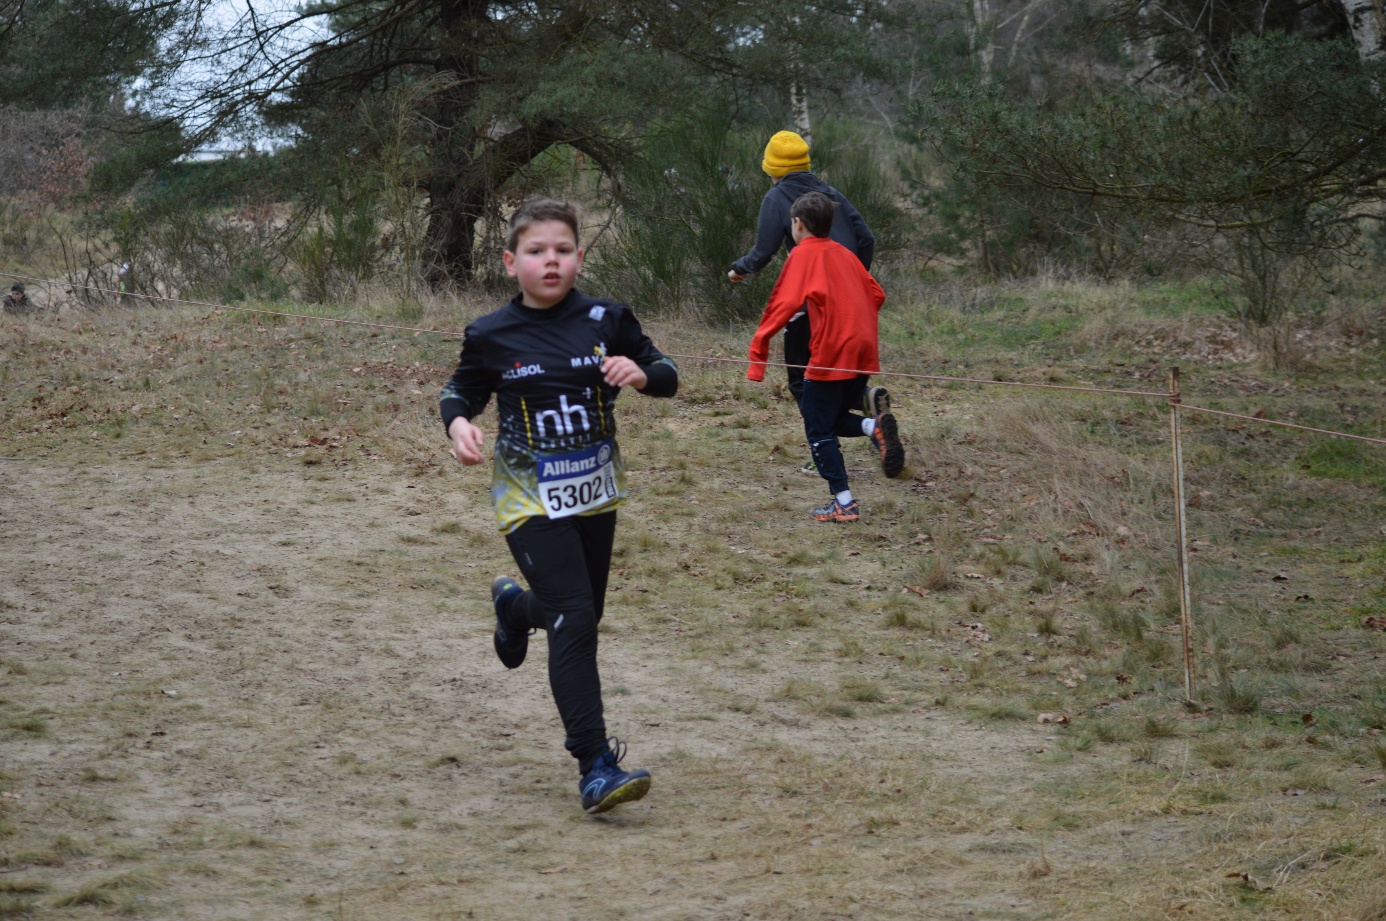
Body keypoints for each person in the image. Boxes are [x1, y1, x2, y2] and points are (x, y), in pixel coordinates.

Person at [440, 198, 679, 815]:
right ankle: (595, 764)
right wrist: (459, 422)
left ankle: (516, 609)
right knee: (575, 618)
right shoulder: (491, 333)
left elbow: (667, 370)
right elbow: (460, 388)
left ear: (579, 257)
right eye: (537, 251)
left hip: (594, 492)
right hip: (528, 496)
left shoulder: (607, 317)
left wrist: (642, 373)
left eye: (564, 250)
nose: (551, 261)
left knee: (580, 611)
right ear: (510, 260)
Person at [728, 130, 888, 473]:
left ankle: (824, 449)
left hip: (810, 308)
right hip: (853, 307)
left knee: (803, 382)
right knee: (837, 370)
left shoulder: (778, 197)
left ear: (772, 168)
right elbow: (866, 238)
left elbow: (763, 252)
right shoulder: (829, 193)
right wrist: (852, 281)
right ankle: (862, 401)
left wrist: (738, 270)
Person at [746, 191, 905, 523]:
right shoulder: (846, 254)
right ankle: (871, 425)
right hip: (862, 350)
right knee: (830, 418)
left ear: (798, 224)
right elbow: (877, 294)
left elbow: (782, 304)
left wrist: (758, 354)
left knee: (817, 428)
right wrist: (852, 318)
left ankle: (844, 503)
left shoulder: (803, 255)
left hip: (832, 350)